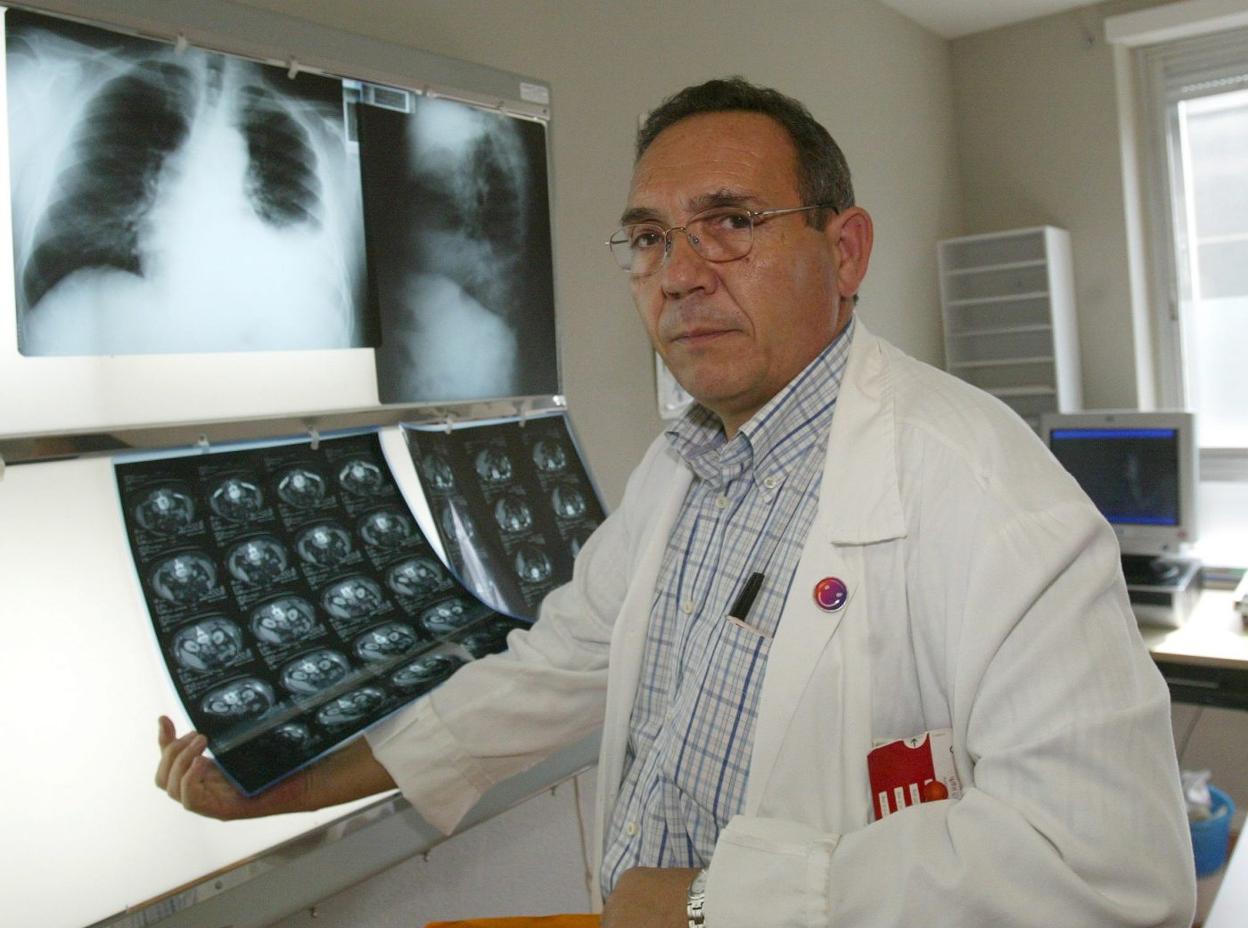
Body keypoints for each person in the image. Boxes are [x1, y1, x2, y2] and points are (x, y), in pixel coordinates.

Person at [157, 78, 1195, 927]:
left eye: (731, 224)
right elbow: (547, 673)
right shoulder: (681, 471)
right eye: (649, 239)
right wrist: (287, 779)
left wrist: (723, 902)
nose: (680, 275)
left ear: (845, 253)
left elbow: (1107, 863)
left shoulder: (988, 492)